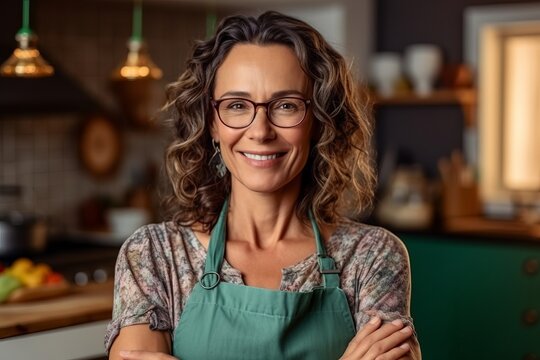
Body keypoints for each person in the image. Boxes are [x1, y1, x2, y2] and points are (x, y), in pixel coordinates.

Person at [105, 11, 421, 360]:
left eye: (285, 105)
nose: (260, 131)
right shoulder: (155, 255)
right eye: (237, 105)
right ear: (211, 122)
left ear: (318, 120)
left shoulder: (371, 256)